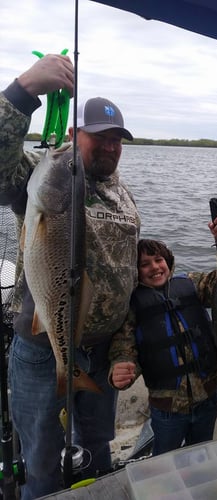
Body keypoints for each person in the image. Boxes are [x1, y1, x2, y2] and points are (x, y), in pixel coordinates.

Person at [0, 54, 141, 499]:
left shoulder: (124, 194)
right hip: (43, 351)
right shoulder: (46, 176)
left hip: (101, 356)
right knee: (40, 462)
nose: (111, 146)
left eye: (118, 138)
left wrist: (123, 349)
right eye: (100, 137)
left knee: (97, 454)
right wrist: (22, 92)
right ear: (75, 135)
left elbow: (126, 280)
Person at [109, 220, 217, 456]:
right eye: (144, 264)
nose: (154, 267)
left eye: (159, 260)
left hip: (208, 398)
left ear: (168, 261)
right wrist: (119, 369)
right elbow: (124, 349)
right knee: (165, 459)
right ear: (135, 271)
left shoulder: (192, 283)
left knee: (201, 455)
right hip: (167, 409)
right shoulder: (132, 306)